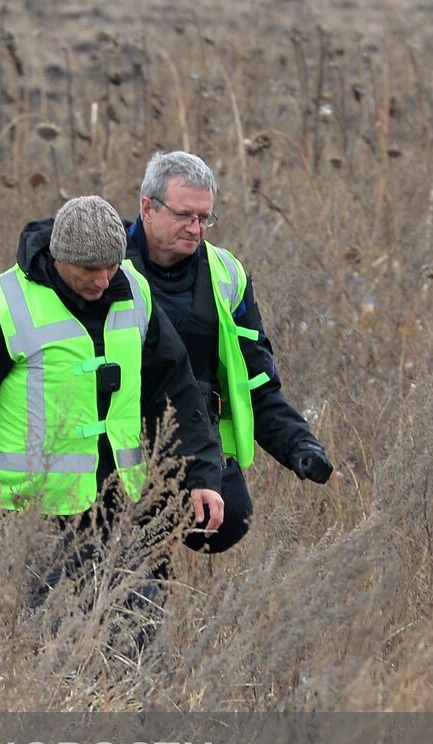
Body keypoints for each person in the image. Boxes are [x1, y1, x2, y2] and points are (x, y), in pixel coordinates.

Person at [0, 196, 224, 613]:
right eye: (89, 270)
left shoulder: (135, 293)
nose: (103, 281)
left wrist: (203, 472)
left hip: (120, 509)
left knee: (137, 635)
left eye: (111, 267)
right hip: (27, 518)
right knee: (43, 648)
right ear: (58, 258)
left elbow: (175, 387)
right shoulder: (7, 306)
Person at [126, 151, 332, 553]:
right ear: (147, 208)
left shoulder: (227, 274)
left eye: (205, 218)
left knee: (231, 518)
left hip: (196, 437)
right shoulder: (107, 268)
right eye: (185, 215)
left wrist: (299, 445)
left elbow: (256, 381)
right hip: (123, 440)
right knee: (132, 566)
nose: (196, 228)